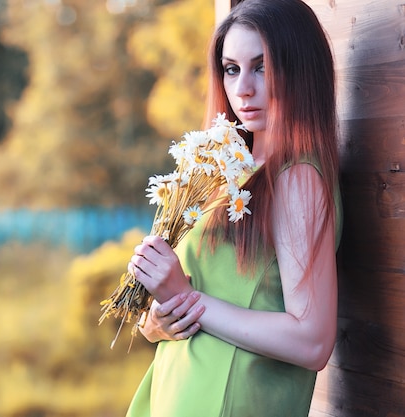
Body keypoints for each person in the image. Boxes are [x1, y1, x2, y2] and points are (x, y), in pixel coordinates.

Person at [125, 0, 342, 416]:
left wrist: (189, 300)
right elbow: (197, 299)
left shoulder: (296, 178)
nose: (243, 88)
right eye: (232, 69)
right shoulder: (227, 171)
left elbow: (312, 341)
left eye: (262, 66)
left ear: (299, 69)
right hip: (177, 390)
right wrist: (158, 319)